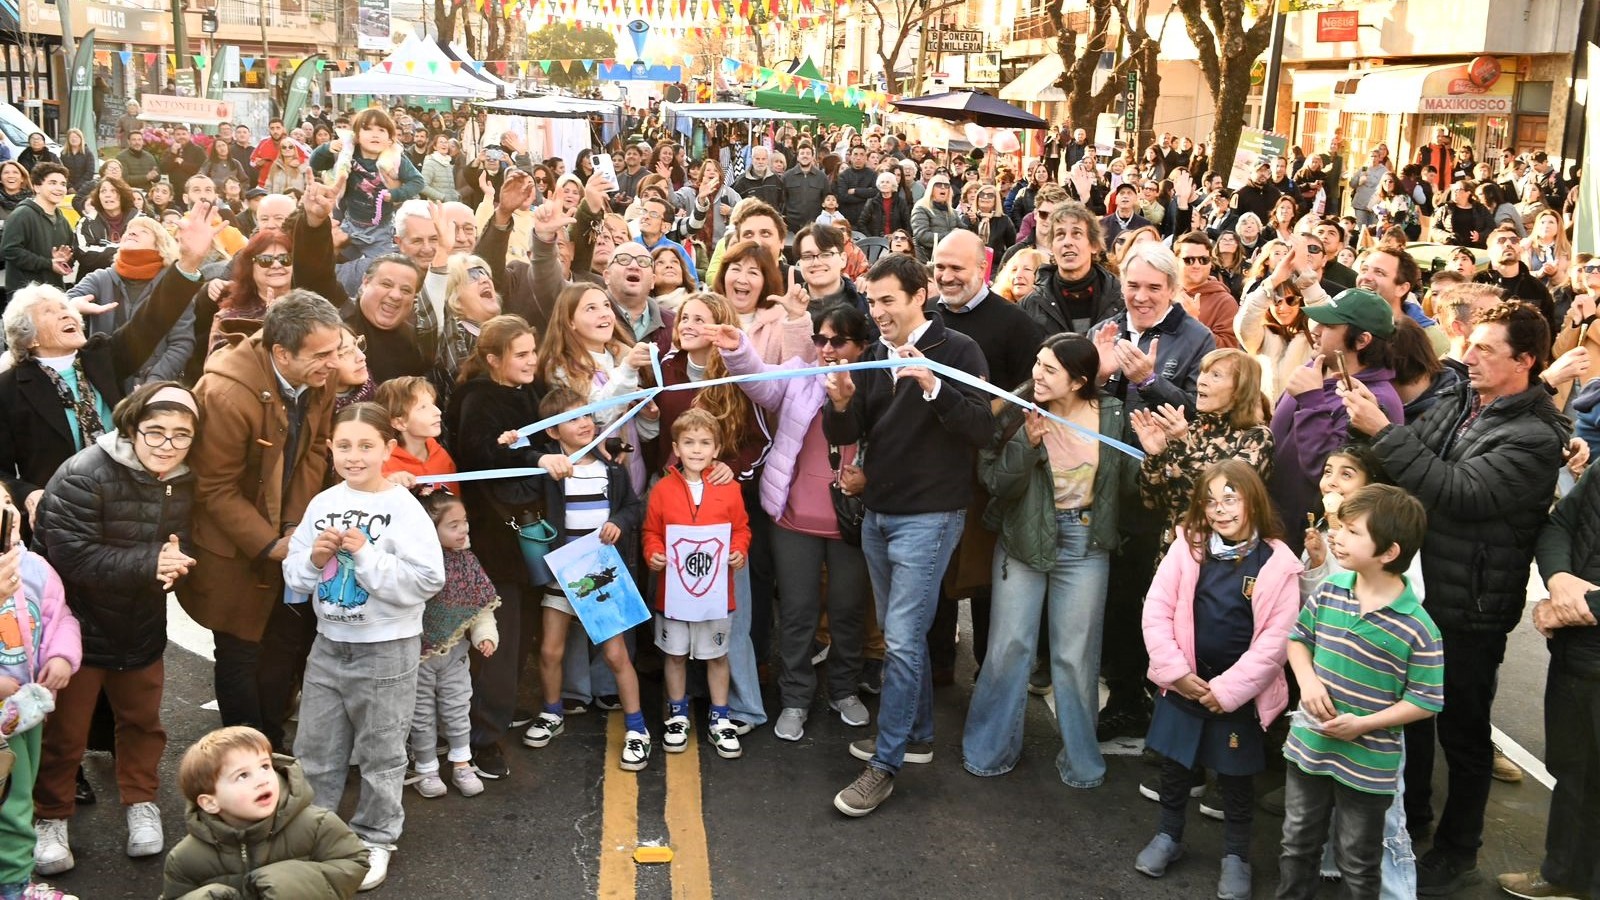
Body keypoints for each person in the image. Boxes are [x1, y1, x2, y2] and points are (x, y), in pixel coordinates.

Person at [1338, 300, 1571, 895]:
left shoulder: (1536, 436)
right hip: (1422, 589)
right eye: (1472, 344)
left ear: (1524, 361)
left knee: (1462, 735)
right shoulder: (1465, 398)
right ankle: (1411, 827)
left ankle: (1458, 850)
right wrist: (1359, 427)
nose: (1467, 355)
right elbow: (1410, 457)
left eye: (1486, 349)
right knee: (1411, 722)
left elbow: (1458, 491)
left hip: (1471, 606)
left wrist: (1384, 432)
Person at [823, 253, 993, 816]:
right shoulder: (873, 355)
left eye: (887, 301)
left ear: (920, 296)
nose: (877, 313)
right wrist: (842, 402)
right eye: (871, 302)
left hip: (931, 516)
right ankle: (915, 734)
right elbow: (852, 431)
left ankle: (885, 763)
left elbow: (981, 428)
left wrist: (932, 386)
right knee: (907, 635)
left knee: (899, 638)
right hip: (879, 514)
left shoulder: (959, 352)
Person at [31, 382, 199, 874]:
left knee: (143, 723)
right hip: (76, 626)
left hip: (140, 622)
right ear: (132, 426)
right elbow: (69, 555)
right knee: (65, 731)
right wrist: (153, 562)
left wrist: (174, 563)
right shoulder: (85, 473)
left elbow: (180, 537)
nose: (166, 445)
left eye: (181, 435)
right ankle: (51, 817)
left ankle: (140, 803)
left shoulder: (185, 478)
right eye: (156, 432)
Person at [283, 403, 446, 892]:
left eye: (366, 446)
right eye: (345, 446)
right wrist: (313, 559)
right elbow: (294, 576)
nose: (355, 456)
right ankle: (316, 833)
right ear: (331, 448)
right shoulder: (321, 503)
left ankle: (375, 837)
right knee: (314, 749)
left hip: (387, 648)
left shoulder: (403, 507)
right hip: (329, 644)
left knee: (381, 751)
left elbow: (427, 579)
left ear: (388, 449)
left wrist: (366, 553)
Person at [963, 332, 1136, 788]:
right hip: (1023, 537)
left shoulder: (1112, 416)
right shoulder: (1016, 411)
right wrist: (1027, 445)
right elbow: (995, 481)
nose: (1036, 375)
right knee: (1009, 647)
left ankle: (1081, 761)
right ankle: (988, 751)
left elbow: (1131, 485)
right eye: (1037, 363)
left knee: (1076, 656)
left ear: (1079, 382)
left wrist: (1159, 458)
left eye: (1049, 369)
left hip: (1085, 543)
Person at [180, 289, 342, 756]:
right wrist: (270, 543)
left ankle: (271, 745)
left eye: (336, 350)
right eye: (323, 354)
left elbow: (314, 450)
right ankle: (241, 758)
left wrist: (295, 525)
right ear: (281, 354)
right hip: (231, 548)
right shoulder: (226, 394)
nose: (334, 363)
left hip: (284, 536)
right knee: (239, 649)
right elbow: (213, 489)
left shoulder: (318, 375)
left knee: (282, 644)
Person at [1133, 460, 1299, 900]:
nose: (1219, 509)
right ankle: (1168, 835)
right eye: (1210, 500)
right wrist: (1177, 674)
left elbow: (1275, 643)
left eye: (1230, 498)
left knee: (1235, 780)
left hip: (1237, 697)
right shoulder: (1188, 547)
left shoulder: (1277, 562)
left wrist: (1227, 692)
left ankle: (1236, 857)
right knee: (1174, 767)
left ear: (1253, 501)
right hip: (1185, 684)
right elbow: (1157, 610)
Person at [716, 305, 875, 740]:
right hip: (792, 520)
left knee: (847, 613)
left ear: (862, 345)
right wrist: (738, 350)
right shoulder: (798, 374)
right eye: (820, 340)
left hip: (851, 523)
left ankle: (843, 690)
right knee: (799, 615)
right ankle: (796, 699)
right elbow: (758, 382)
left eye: (837, 340)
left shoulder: (878, 379)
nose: (825, 349)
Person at [1276, 484, 1440, 898]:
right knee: (1297, 844)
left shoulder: (1418, 627)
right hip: (1309, 745)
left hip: (1369, 764)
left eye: (1352, 532)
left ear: (1389, 552)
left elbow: (1425, 701)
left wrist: (1364, 724)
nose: (1338, 537)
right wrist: (1308, 682)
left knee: (1359, 859)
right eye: (1340, 527)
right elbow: (1298, 640)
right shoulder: (1331, 590)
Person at [444, 316, 573, 781]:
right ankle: (482, 740)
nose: (531, 360)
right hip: (496, 535)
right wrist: (534, 456)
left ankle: (495, 719)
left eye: (532, 351)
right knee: (499, 637)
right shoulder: (478, 397)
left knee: (519, 633)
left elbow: (554, 431)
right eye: (520, 354)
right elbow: (482, 453)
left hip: (528, 531)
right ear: (493, 359)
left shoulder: (530, 391)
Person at [521, 388, 649, 769]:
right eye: (573, 418)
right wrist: (528, 449)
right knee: (550, 649)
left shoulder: (611, 469)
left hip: (599, 571)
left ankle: (637, 728)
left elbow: (632, 507)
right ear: (553, 433)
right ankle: (552, 712)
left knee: (615, 654)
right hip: (561, 572)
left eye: (588, 415)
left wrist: (617, 523)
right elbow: (518, 456)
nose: (584, 423)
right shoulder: (549, 471)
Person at [1496, 462, 1600, 899]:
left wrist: (1581, 605)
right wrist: (1558, 583)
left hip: (1582, 628)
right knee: (1574, 769)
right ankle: (1564, 875)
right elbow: (1560, 523)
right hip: (1579, 655)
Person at [644, 408, 752, 760]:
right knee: (674, 655)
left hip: (716, 594)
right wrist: (654, 554)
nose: (696, 449)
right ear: (675, 448)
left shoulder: (730, 489)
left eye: (705, 443)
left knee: (716, 655)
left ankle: (720, 717)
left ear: (716, 449)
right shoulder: (661, 490)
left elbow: (741, 529)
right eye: (688, 442)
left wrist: (738, 551)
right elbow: (651, 532)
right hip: (673, 593)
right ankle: (677, 713)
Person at [161, 725, 369, 898]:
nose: (262, 779)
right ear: (210, 803)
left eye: (265, 766)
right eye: (242, 775)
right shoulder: (185, 858)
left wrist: (287, 885)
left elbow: (354, 862)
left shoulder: (317, 824)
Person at [1267, 288, 1401, 552]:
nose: (1315, 330)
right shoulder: (1314, 368)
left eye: (1329, 325)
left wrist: (1312, 402)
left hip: (1313, 548)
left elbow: (1333, 475)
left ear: (1362, 340)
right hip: (1272, 530)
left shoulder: (1375, 401)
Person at [0, 486, 82, 896]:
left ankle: (14, 880)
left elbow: (59, 616)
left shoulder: (35, 568)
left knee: (19, 799)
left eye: (8, 505)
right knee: (10, 807)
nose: (7, 516)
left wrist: (63, 656)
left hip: (24, 711)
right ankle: (13, 887)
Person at [404, 490, 495, 800]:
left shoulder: (467, 562)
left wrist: (485, 635)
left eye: (465, 522)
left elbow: (480, 608)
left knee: (457, 710)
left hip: (455, 654)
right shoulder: (415, 562)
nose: (463, 530)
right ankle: (427, 768)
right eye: (453, 525)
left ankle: (461, 763)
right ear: (430, 527)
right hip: (417, 657)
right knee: (421, 714)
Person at [309, 109, 425, 259]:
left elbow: (418, 181)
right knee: (336, 261)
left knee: (382, 267)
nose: (375, 134)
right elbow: (315, 164)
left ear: (390, 138)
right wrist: (326, 148)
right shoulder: (347, 153)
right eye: (368, 129)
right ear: (356, 136)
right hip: (350, 225)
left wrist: (395, 194)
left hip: (381, 229)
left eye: (381, 130)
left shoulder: (396, 159)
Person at [1019, 202, 1123, 334]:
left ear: (1094, 245)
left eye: (1077, 234)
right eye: (1060, 234)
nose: (1067, 242)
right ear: (1051, 247)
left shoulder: (1120, 298)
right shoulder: (1031, 305)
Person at [376, 376, 457, 496]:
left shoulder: (442, 457)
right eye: (423, 407)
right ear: (399, 423)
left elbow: (455, 507)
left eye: (433, 404)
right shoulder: (382, 464)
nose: (437, 412)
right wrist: (386, 483)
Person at [1, 163, 74, 295]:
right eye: (52, 183)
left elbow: (70, 251)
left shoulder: (62, 220)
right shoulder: (22, 214)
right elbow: (9, 250)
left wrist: (65, 260)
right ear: (37, 187)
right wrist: (47, 263)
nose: (59, 188)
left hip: (54, 292)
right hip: (26, 296)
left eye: (63, 184)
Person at [1172, 231, 1241, 350]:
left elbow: (1227, 351)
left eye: (1203, 260)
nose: (1197, 265)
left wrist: (1193, 322)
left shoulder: (1224, 302)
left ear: (1210, 263)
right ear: (1176, 261)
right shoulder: (1164, 293)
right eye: (1189, 260)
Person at [1476, 223, 1555, 323]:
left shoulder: (1537, 288)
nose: (1508, 244)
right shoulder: (1478, 284)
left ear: (1520, 248)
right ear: (1489, 251)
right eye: (1501, 240)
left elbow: (1548, 329)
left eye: (1514, 240)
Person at [781, 141, 829, 235]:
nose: (805, 156)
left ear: (812, 157)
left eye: (808, 153)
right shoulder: (787, 176)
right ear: (798, 157)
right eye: (802, 153)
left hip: (815, 226)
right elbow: (782, 200)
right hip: (791, 226)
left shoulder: (822, 177)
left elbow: (826, 199)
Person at [910, 173, 959, 262]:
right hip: (926, 258)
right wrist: (950, 235)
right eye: (939, 185)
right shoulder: (921, 208)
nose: (943, 188)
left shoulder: (952, 211)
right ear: (931, 189)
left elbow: (964, 230)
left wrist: (973, 222)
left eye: (946, 186)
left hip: (947, 256)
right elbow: (922, 236)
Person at [857, 170, 911, 240]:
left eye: (887, 182)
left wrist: (901, 238)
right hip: (876, 242)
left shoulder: (900, 202)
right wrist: (871, 238)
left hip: (896, 240)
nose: (884, 184)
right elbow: (861, 223)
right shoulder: (872, 202)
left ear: (893, 185)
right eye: (882, 182)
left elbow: (907, 223)